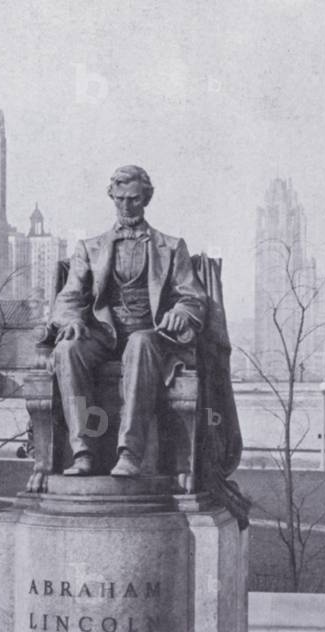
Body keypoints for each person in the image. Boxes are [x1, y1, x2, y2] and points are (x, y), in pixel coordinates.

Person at [51, 165, 208, 476]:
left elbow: (193, 297)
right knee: (67, 350)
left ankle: (130, 453)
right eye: (120, 199)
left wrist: (179, 313)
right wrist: (71, 321)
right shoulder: (89, 248)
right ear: (112, 197)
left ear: (146, 198)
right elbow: (69, 297)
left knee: (139, 342)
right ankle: (82, 452)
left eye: (134, 199)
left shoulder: (172, 247)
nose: (126, 206)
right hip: (104, 335)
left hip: (152, 335)